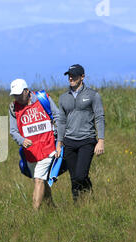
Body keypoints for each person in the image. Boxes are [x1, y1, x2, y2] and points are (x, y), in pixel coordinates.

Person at [55, 64, 105, 202]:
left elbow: (99, 117)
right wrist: (59, 143)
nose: (71, 78)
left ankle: (90, 194)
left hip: (87, 141)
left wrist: (101, 140)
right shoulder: (63, 97)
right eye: (69, 75)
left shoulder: (93, 95)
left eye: (74, 75)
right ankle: (78, 206)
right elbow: (61, 121)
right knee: (73, 179)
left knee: (80, 176)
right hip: (69, 141)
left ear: (82, 77)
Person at [9, 78, 60, 210]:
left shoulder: (43, 98)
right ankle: (52, 208)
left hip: (48, 147)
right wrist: (21, 140)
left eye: (19, 94)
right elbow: (13, 131)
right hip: (31, 152)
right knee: (40, 181)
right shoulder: (13, 107)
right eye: (15, 95)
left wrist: (60, 141)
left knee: (38, 179)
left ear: (27, 91)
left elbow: (59, 118)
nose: (17, 98)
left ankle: (34, 215)